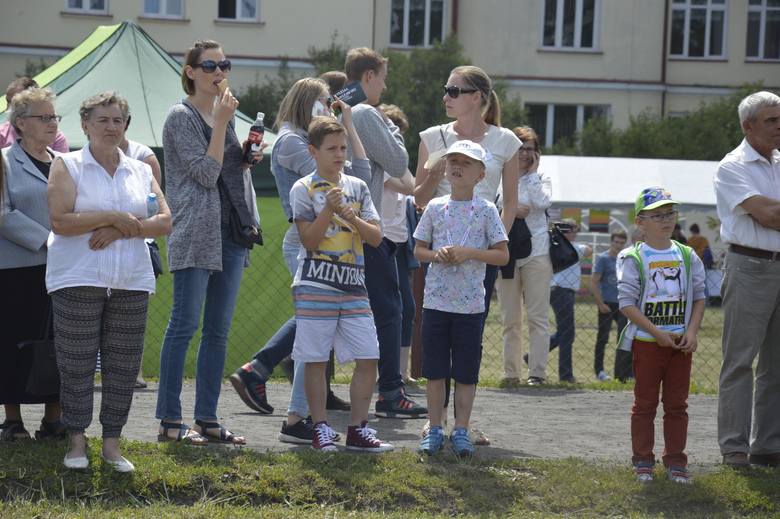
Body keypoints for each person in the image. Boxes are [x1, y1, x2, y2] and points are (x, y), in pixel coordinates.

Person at [230, 78, 366, 444]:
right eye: (324, 103)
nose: (329, 109)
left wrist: (346, 125)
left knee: (315, 327)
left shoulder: (301, 139)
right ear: (309, 103)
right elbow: (351, 177)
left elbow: (356, 178)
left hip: (328, 242)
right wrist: (345, 130)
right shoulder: (292, 141)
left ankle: (275, 387)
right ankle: (290, 409)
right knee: (315, 327)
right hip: (309, 241)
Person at [46, 91, 172, 471]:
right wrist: (112, 216)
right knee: (77, 362)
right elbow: (60, 221)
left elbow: (164, 221)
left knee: (122, 364)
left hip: (131, 279)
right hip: (78, 277)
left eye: (118, 120)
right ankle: (76, 442)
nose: (111, 127)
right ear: (85, 125)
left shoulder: (141, 170)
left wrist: (120, 230)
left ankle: (113, 445)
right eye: (102, 120)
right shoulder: (67, 166)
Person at [155, 39, 262, 446]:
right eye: (210, 65)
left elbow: (225, 168)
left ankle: (207, 418)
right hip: (195, 232)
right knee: (184, 326)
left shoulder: (225, 114)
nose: (219, 72)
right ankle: (168, 420)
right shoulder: (179, 117)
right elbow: (202, 173)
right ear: (190, 72)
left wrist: (247, 155)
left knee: (217, 332)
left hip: (231, 232)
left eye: (225, 64)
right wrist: (219, 124)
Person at [290, 116, 393, 452]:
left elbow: (377, 238)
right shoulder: (302, 188)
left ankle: (357, 429)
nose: (339, 155)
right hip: (315, 286)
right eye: (331, 148)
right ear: (313, 151)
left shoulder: (358, 187)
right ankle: (319, 427)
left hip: (353, 287)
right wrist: (328, 212)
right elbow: (309, 241)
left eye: (343, 148)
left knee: (369, 356)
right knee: (316, 359)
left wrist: (351, 216)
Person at [345, 47, 426, 418]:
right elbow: (398, 162)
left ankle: (259, 369)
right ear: (367, 77)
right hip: (367, 227)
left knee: (351, 307)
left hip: (357, 225)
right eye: (382, 77)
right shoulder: (363, 112)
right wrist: (391, 130)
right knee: (390, 309)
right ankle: (390, 392)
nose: (385, 85)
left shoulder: (346, 109)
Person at [414, 140, 509, 457]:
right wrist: (436, 255)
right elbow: (418, 250)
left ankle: (462, 430)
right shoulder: (434, 207)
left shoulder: (486, 210)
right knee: (436, 370)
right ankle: (435, 428)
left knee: (466, 372)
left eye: (466, 163)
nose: (456, 166)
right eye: (453, 160)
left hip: (470, 307)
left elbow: (502, 255)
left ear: (481, 174)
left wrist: (469, 253)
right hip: (436, 304)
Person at [617, 186, 705, 484]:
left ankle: (676, 461)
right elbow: (627, 304)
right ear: (640, 222)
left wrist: (691, 332)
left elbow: (700, 297)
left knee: (677, 405)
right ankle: (643, 459)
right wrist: (656, 333)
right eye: (657, 215)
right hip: (648, 344)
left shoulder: (687, 254)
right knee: (645, 404)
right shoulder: (633, 257)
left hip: (680, 345)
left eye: (670, 213)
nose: (666, 220)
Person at [714, 91, 780, 468]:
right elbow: (767, 216)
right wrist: (768, 211)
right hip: (750, 266)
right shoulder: (732, 166)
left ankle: (768, 445)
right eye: (771, 120)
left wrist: (770, 211)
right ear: (748, 126)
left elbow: (771, 212)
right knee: (740, 361)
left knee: (777, 364)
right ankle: (734, 447)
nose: (779, 126)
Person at [0, 87, 64, 441]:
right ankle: (12, 419)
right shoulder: (4, 161)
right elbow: (2, 213)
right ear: (21, 123)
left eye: (54, 116)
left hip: (61, 270)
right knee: (13, 340)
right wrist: (47, 239)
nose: (52, 123)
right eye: (44, 117)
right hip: (16, 270)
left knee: (57, 342)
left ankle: (54, 418)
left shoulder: (63, 162)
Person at [494, 126, 550, 386]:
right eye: (520, 149)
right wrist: (512, 207)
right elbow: (493, 206)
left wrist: (533, 175)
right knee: (510, 318)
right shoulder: (499, 176)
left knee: (538, 317)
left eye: (530, 149)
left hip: (537, 253)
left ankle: (537, 373)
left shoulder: (541, 178)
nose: (525, 154)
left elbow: (542, 203)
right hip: (506, 253)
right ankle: (511, 373)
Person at [378, 103, 419, 382]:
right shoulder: (378, 163)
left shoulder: (395, 163)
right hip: (382, 239)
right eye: (393, 135)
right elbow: (409, 185)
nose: (398, 142)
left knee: (407, 308)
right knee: (389, 309)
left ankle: (400, 372)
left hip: (402, 241)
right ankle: (387, 373)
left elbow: (411, 185)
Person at [546, 219, 591, 383]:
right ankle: (565, 375)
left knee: (566, 333)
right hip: (561, 290)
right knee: (567, 334)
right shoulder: (569, 247)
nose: (575, 234)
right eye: (572, 230)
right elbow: (588, 250)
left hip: (560, 291)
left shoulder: (556, 245)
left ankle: (534, 356)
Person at [591, 231, 629, 382]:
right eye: (616, 242)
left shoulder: (626, 259)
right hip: (607, 303)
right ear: (611, 242)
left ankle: (621, 374)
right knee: (603, 338)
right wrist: (600, 303)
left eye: (621, 243)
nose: (618, 245)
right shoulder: (603, 258)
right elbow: (594, 282)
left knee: (623, 338)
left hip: (623, 305)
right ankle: (599, 370)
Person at [1, 78, 69, 152]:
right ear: (21, 124)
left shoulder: (56, 138)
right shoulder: (2, 135)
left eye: (18, 102)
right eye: (8, 102)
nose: (9, 108)